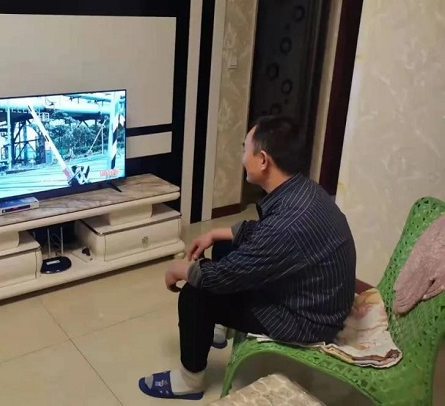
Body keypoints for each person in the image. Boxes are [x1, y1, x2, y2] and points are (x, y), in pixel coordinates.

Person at [139, 116, 357, 401]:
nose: (242, 157)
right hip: (314, 295)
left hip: (308, 319)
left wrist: (177, 269)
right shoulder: (302, 190)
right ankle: (218, 329)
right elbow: (264, 237)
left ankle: (189, 381)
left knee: (196, 293)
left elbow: (220, 276)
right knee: (224, 246)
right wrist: (216, 233)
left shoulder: (288, 225)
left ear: (263, 160)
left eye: (245, 149)